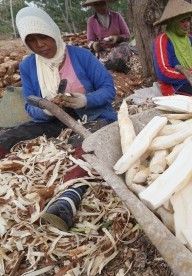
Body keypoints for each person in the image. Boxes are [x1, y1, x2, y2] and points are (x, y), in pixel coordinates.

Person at [0, 6, 118, 231]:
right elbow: (30, 103)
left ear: (53, 33)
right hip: (52, 119)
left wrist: (84, 100)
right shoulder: (28, 66)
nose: (40, 45)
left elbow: (108, 89)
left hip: (90, 115)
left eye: (43, 37)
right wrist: (46, 109)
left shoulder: (81, 56)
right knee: (9, 137)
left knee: (88, 143)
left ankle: (67, 199)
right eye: (32, 41)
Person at [83, 0, 132, 73]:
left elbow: (127, 35)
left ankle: (110, 65)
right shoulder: (91, 21)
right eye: (97, 5)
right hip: (103, 51)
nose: (100, 7)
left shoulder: (116, 16)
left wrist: (117, 38)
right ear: (93, 6)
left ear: (106, 3)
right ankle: (115, 65)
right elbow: (90, 40)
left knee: (123, 47)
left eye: (102, 4)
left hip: (118, 48)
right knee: (102, 59)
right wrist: (94, 45)